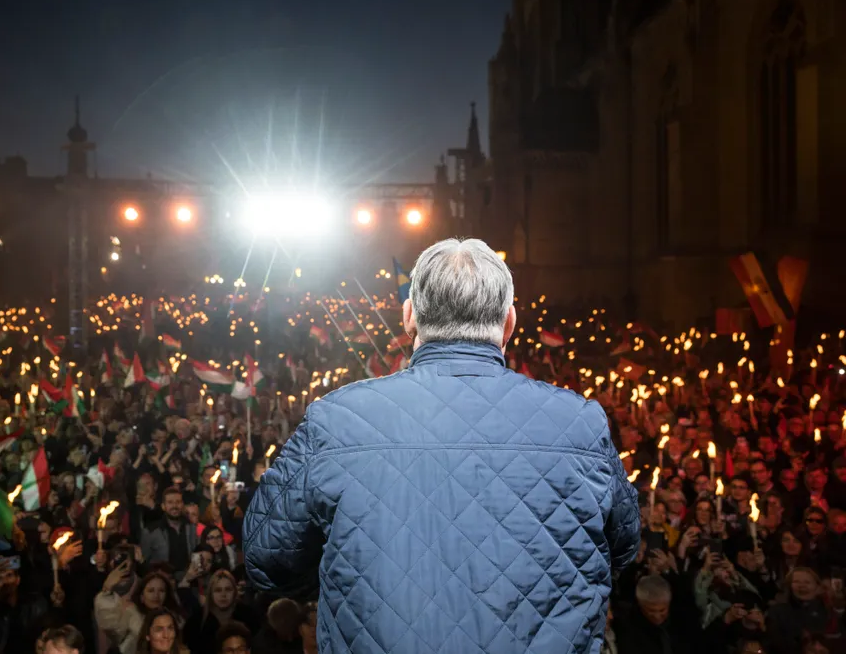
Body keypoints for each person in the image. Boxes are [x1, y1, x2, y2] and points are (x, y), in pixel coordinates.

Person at [243, 238, 641, 653]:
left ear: (409, 316)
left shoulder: (337, 419)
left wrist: (349, 572)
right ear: (509, 322)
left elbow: (268, 559)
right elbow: (623, 547)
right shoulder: (580, 423)